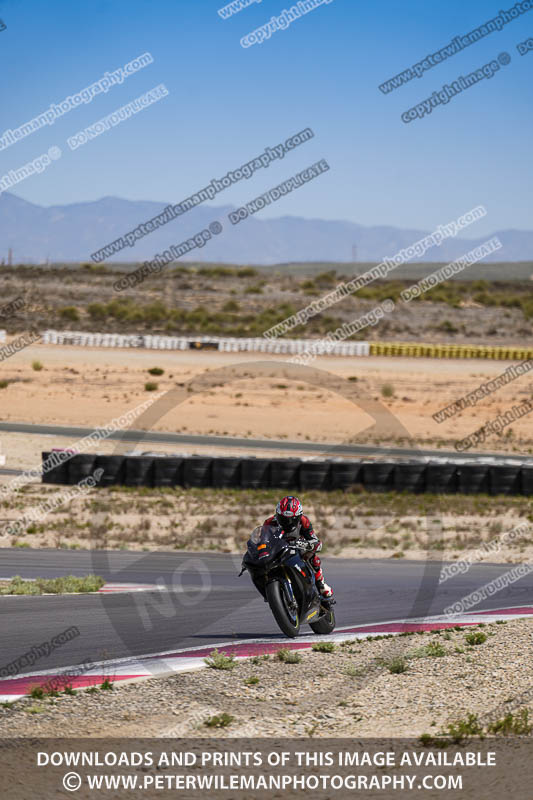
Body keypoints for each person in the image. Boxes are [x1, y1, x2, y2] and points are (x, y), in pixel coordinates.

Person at [263, 495, 333, 598]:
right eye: (283, 519)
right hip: (278, 551)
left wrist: (305, 545)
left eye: (292, 519)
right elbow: (263, 541)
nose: (287, 523)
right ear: (277, 515)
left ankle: (320, 584)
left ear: (298, 516)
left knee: (313, 556)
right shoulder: (269, 523)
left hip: (297, 548)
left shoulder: (304, 521)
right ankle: (270, 591)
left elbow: (316, 542)